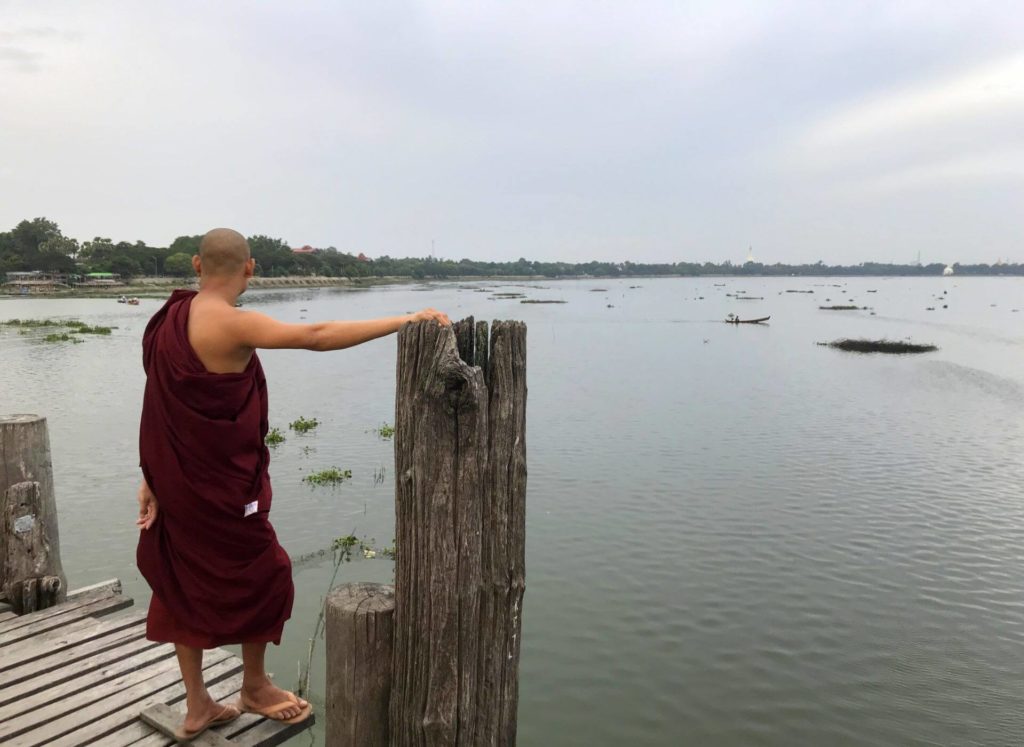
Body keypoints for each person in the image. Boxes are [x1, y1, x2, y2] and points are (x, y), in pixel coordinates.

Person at [135, 227, 449, 740]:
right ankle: (254, 686)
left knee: (177, 581)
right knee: (269, 573)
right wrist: (406, 319)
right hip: (222, 490)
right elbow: (316, 336)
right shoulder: (232, 324)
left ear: (195, 264)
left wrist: (148, 476)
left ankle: (198, 705)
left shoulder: (171, 320)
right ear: (250, 268)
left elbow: (156, 405)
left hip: (175, 482)